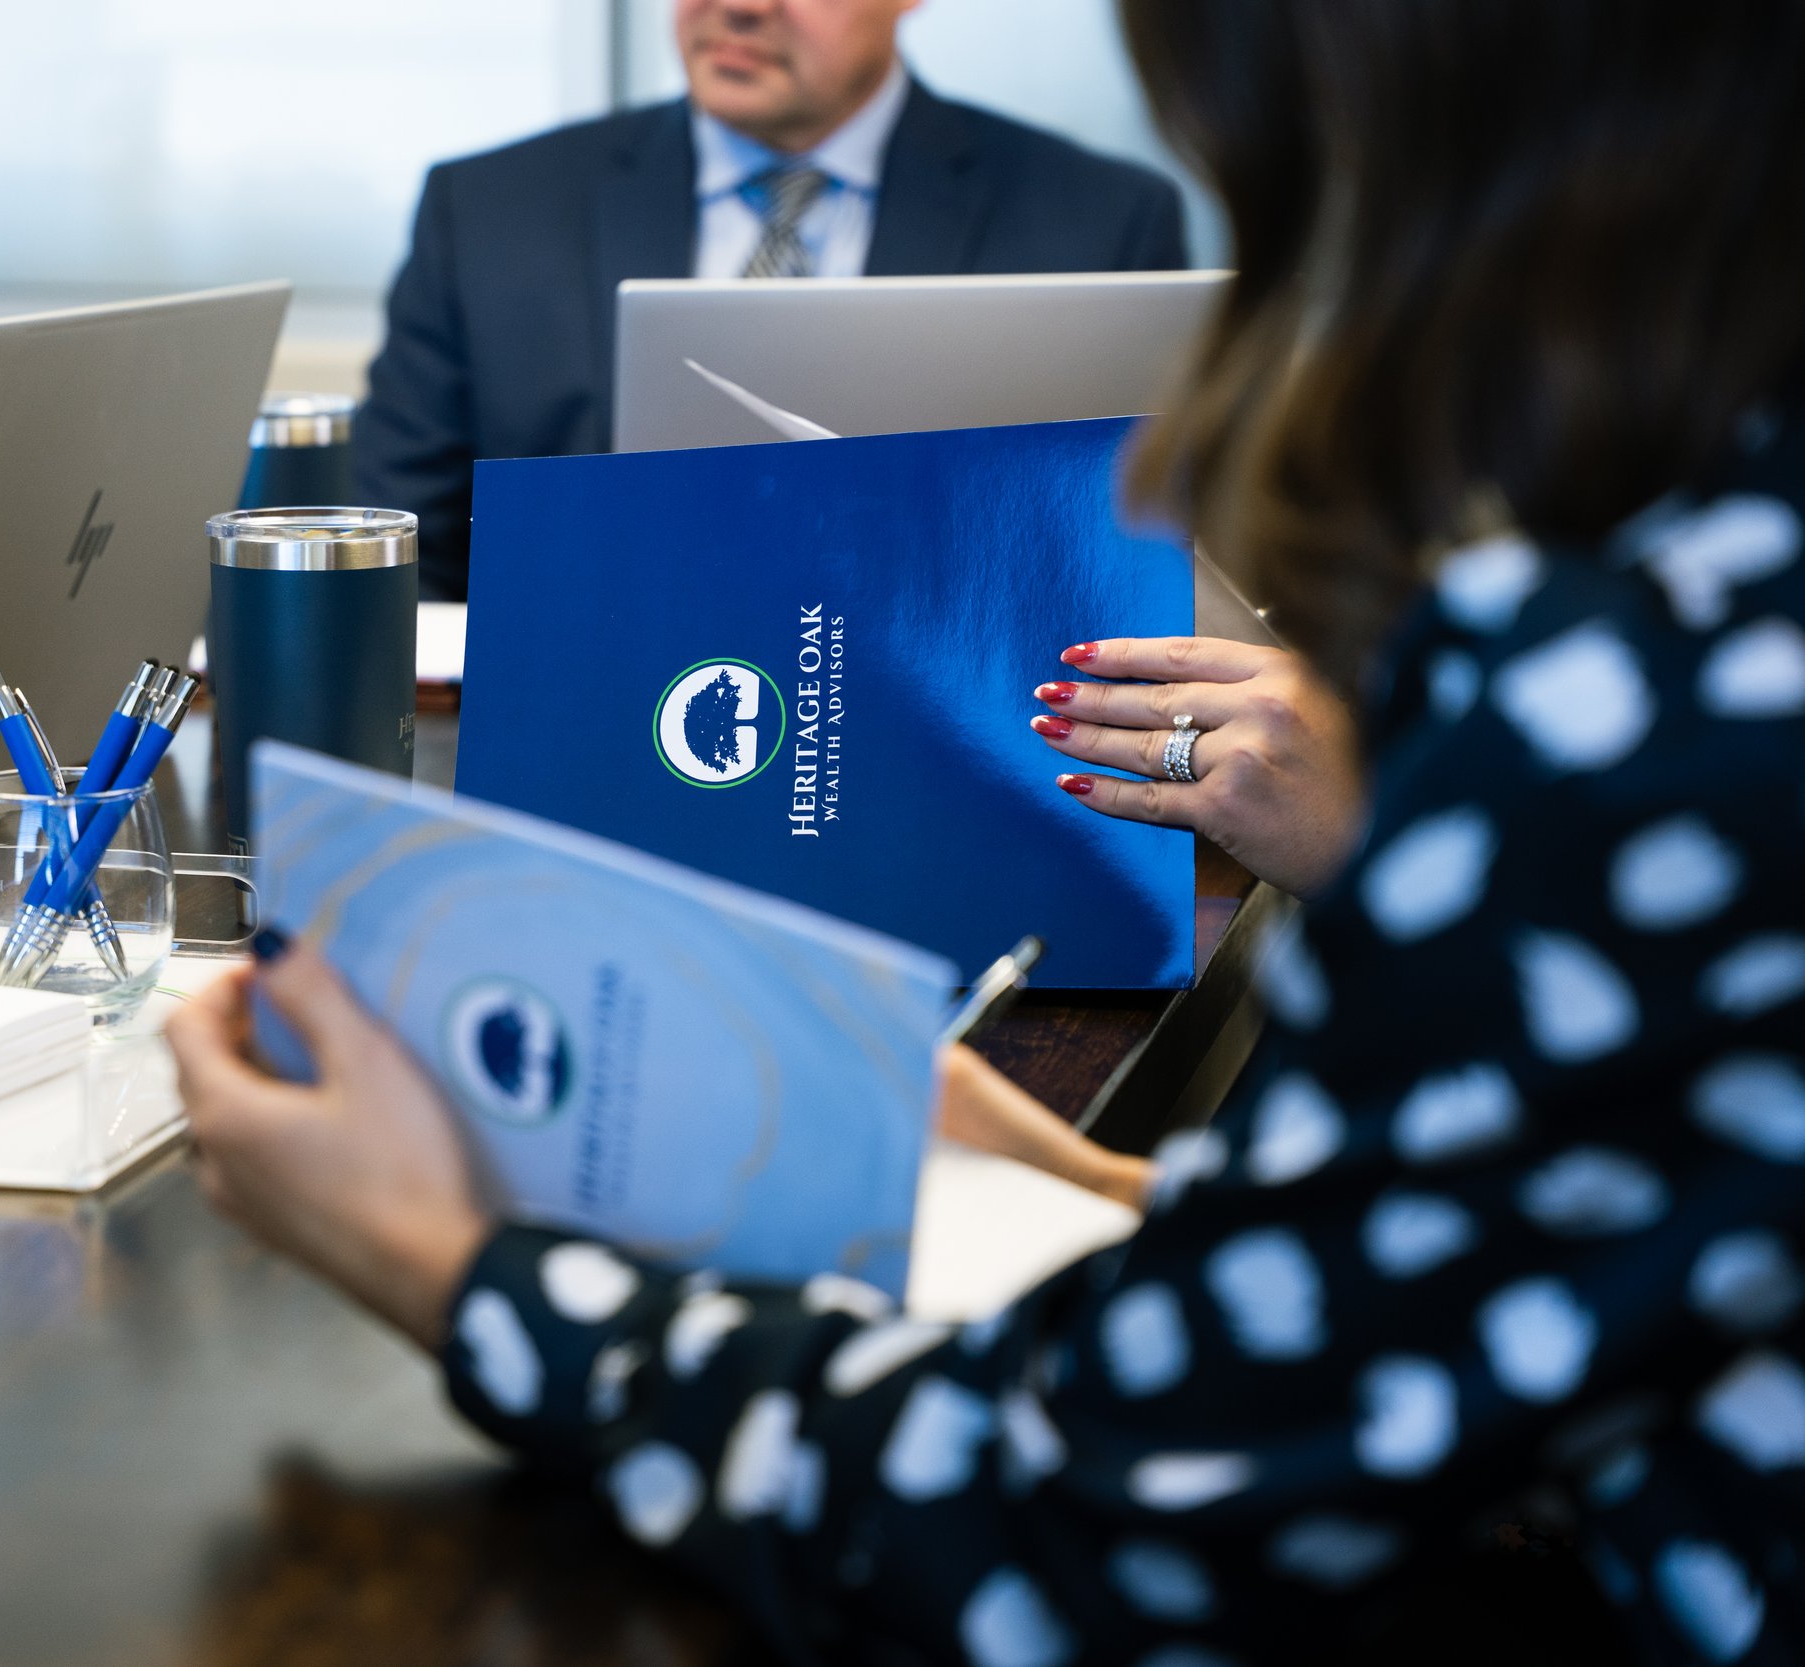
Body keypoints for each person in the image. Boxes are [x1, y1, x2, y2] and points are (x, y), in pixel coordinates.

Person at [170, 0, 1805, 1659]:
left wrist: (440, 1259)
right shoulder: (1715, 614)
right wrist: (1104, 1185)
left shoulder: (1656, 707)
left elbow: (1069, 1524)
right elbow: (1561, 1274)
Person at [354, 0, 1190, 600]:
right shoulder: (491, 209)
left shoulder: (1099, 222)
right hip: (572, 723)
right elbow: (400, 541)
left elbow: (1121, 568)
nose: (740, 8)